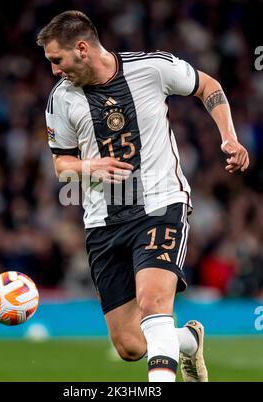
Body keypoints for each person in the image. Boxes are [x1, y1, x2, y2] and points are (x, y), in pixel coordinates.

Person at [37, 10, 249, 382]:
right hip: (102, 221)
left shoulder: (152, 68)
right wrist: (90, 168)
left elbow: (208, 86)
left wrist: (228, 137)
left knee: (154, 305)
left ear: (82, 49)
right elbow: (62, 166)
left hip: (160, 204)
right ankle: (187, 340)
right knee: (130, 345)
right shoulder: (61, 100)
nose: (54, 70)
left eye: (57, 60)